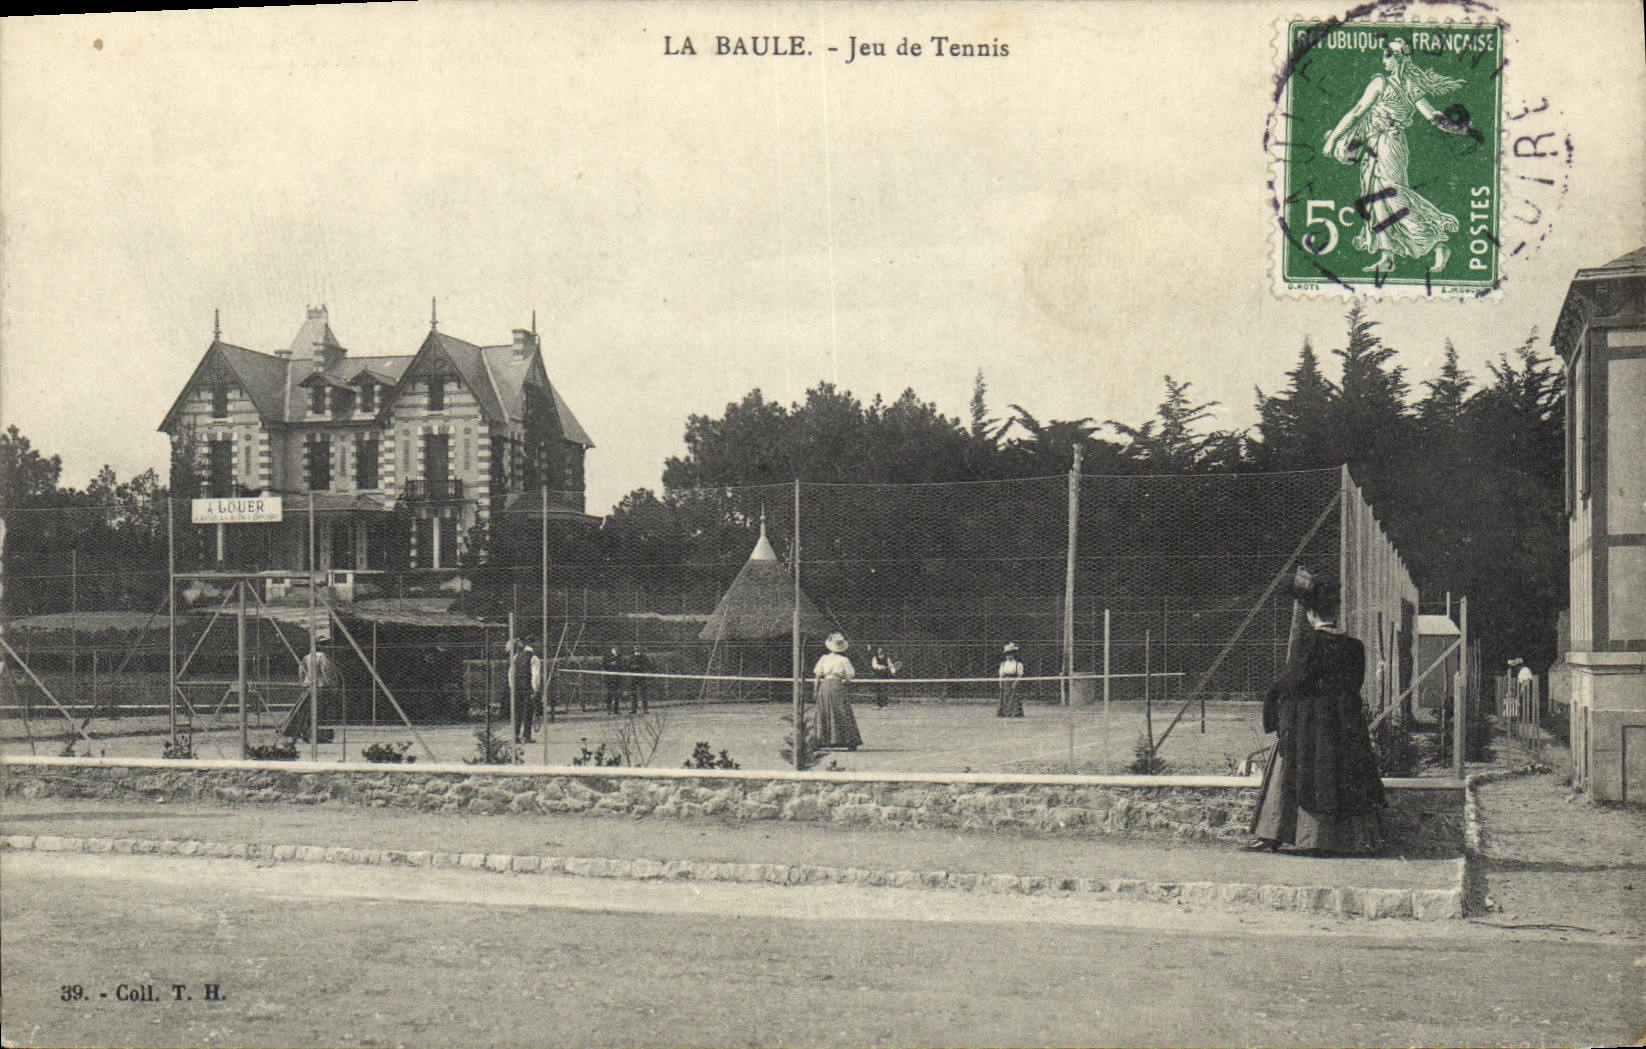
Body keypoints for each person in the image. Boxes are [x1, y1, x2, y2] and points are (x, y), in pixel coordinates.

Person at [1249, 567, 1385, 855]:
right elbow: (1354, 684)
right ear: (1335, 612)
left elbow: (1291, 682)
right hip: (1344, 727)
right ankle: (1352, 841)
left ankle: (1278, 835)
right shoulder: (1355, 647)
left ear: (1310, 614)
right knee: (1346, 774)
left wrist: (1275, 705)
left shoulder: (1307, 642)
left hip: (1308, 726)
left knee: (1289, 769)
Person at [1322, 38, 1473, 274]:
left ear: (1399, 58)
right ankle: (1387, 256)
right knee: (1374, 198)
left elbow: (1356, 113)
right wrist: (1458, 128)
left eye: (1388, 54)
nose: (1384, 58)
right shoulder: (1406, 85)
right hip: (1379, 144)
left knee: (1392, 196)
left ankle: (1436, 244)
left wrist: (1332, 140)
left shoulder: (1382, 83)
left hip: (1388, 145)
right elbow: (1432, 116)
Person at [812, 632, 861, 751]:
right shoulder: (844, 660)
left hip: (824, 687)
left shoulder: (824, 659)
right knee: (842, 711)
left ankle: (821, 741)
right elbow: (849, 677)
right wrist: (843, 683)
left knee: (823, 711)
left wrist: (815, 690)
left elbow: (817, 676)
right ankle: (848, 741)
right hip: (837, 686)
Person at [282, 648, 341, 742]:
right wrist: (332, 685)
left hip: (308, 686)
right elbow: (326, 672)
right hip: (320, 686)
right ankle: (315, 734)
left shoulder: (307, 657)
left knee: (306, 711)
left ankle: (304, 732)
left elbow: (301, 671)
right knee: (319, 712)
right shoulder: (322, 657)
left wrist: (304, 682)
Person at [509, 638, 536, 743]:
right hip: (527, 687)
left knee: (517, 711)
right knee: (528, 711)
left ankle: (515, 735)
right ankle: (526, 736)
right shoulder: (533, 657)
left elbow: (511, 672)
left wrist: (512, 686)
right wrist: (535, 689)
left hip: (517, 688)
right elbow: (535, 675)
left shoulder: (516, 657)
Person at [997, 643, 1025, 718]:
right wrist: (1000, 683)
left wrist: (1015, 682)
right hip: (1006, 682)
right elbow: (1001, 674)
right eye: (1007, 654)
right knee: (1005, 697)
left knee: (1014, 697)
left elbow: (1020, 675)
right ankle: (1004, 712)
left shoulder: (1018, 664)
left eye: (1010, 654)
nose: (1009, 656)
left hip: (1014, 681)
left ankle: (1015, 712)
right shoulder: (1003, 664)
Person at [626, 646, 652, 714]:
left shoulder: (644, 657)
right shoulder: (631, 657)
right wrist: (632, 667)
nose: (637, 651)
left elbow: (649, 665)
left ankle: (645, 709)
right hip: (633, 677)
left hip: (642, 677)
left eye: (638, 649)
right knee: (633, 693)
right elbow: (627, 666)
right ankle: (633, 709)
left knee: (643, 693)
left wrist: (641, 667)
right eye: (635, 650)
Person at [601, 646, 623, 715]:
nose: (617, 650)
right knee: (609, 694)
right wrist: (610, 664)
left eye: (618, 649)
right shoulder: (607, 656)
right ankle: (609, 709)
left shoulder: (619, 656)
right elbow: (603, 665)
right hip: (609, 678)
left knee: (616, 694)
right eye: (615, 648)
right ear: (612, 649)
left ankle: (616, 710)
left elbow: (622, 666)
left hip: (617, 678)